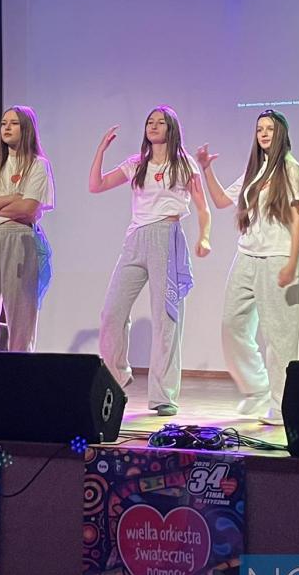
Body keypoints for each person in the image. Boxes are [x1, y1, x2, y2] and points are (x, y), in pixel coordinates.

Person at [90, 107, 212, 417]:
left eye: (160, 122)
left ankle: (163, 395)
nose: (153, 126)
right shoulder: (136, 164)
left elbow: (203, 209)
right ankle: (117, 378)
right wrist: (101, 150)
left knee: (166, 318)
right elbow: (96, 185)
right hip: (135, 239)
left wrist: (204, 237)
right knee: (111, 313)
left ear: (171, 129)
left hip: (166, 237)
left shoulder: (184, 165)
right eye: (149, 122)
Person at [197, 110, 299, 426]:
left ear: (281, 133)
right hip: (246, 255)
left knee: (280, 337)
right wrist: (206, 168)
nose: (264, 133)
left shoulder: (291, 169)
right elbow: (221, 201)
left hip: (278, 257)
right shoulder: (254, 171)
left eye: (270, 128)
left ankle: (282, 407)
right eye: (259, 129)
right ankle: (257, 388)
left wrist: (292, 261)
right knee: (232, 324)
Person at [0, 106, 56, 353]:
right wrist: (14, 198)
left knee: (21, 317)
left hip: (21, 238)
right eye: (3, 123)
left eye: (14, 123)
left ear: (26, 128)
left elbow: (29, 208)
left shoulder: (37, 165)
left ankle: (20, 372)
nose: (6, 128)